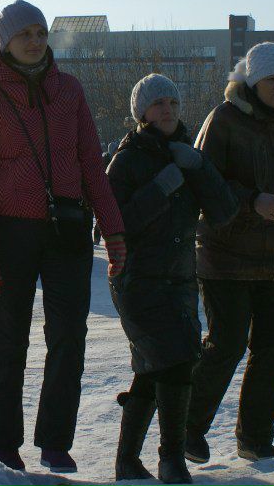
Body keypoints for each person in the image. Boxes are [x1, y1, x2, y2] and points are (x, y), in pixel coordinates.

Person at [0, 0, 126, 473]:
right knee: (6, 339)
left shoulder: (69, 90)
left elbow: (91, 163)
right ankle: (4, 443)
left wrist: (113, 229)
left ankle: (55, 442)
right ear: (4, 42)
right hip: (9, 233)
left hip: (67, 229)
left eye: (40, 32)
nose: (34, 41)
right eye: (24, 34)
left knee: (69, 337)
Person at [183, 41, 274, 465]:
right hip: (226, 257)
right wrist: (251, 201)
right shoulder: (224, 120)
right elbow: (203, 181)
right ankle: (187, 429)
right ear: (252, 81)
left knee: (273, 348)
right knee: (225, 345)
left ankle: (256, 436)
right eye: (271, 80)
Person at [107, 74, 238, 484]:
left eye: (173, 103)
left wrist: (200, 166)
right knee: (177, 364)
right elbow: (114, 224)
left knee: (155, 369)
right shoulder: (126, 160)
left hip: (180, 280)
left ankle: (128, 461)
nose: (167, 110)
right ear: (142, 112)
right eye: (158, 103)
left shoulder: (187, 154)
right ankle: (172, 460)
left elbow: (224, 212)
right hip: (138, 282)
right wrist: (160, 187)